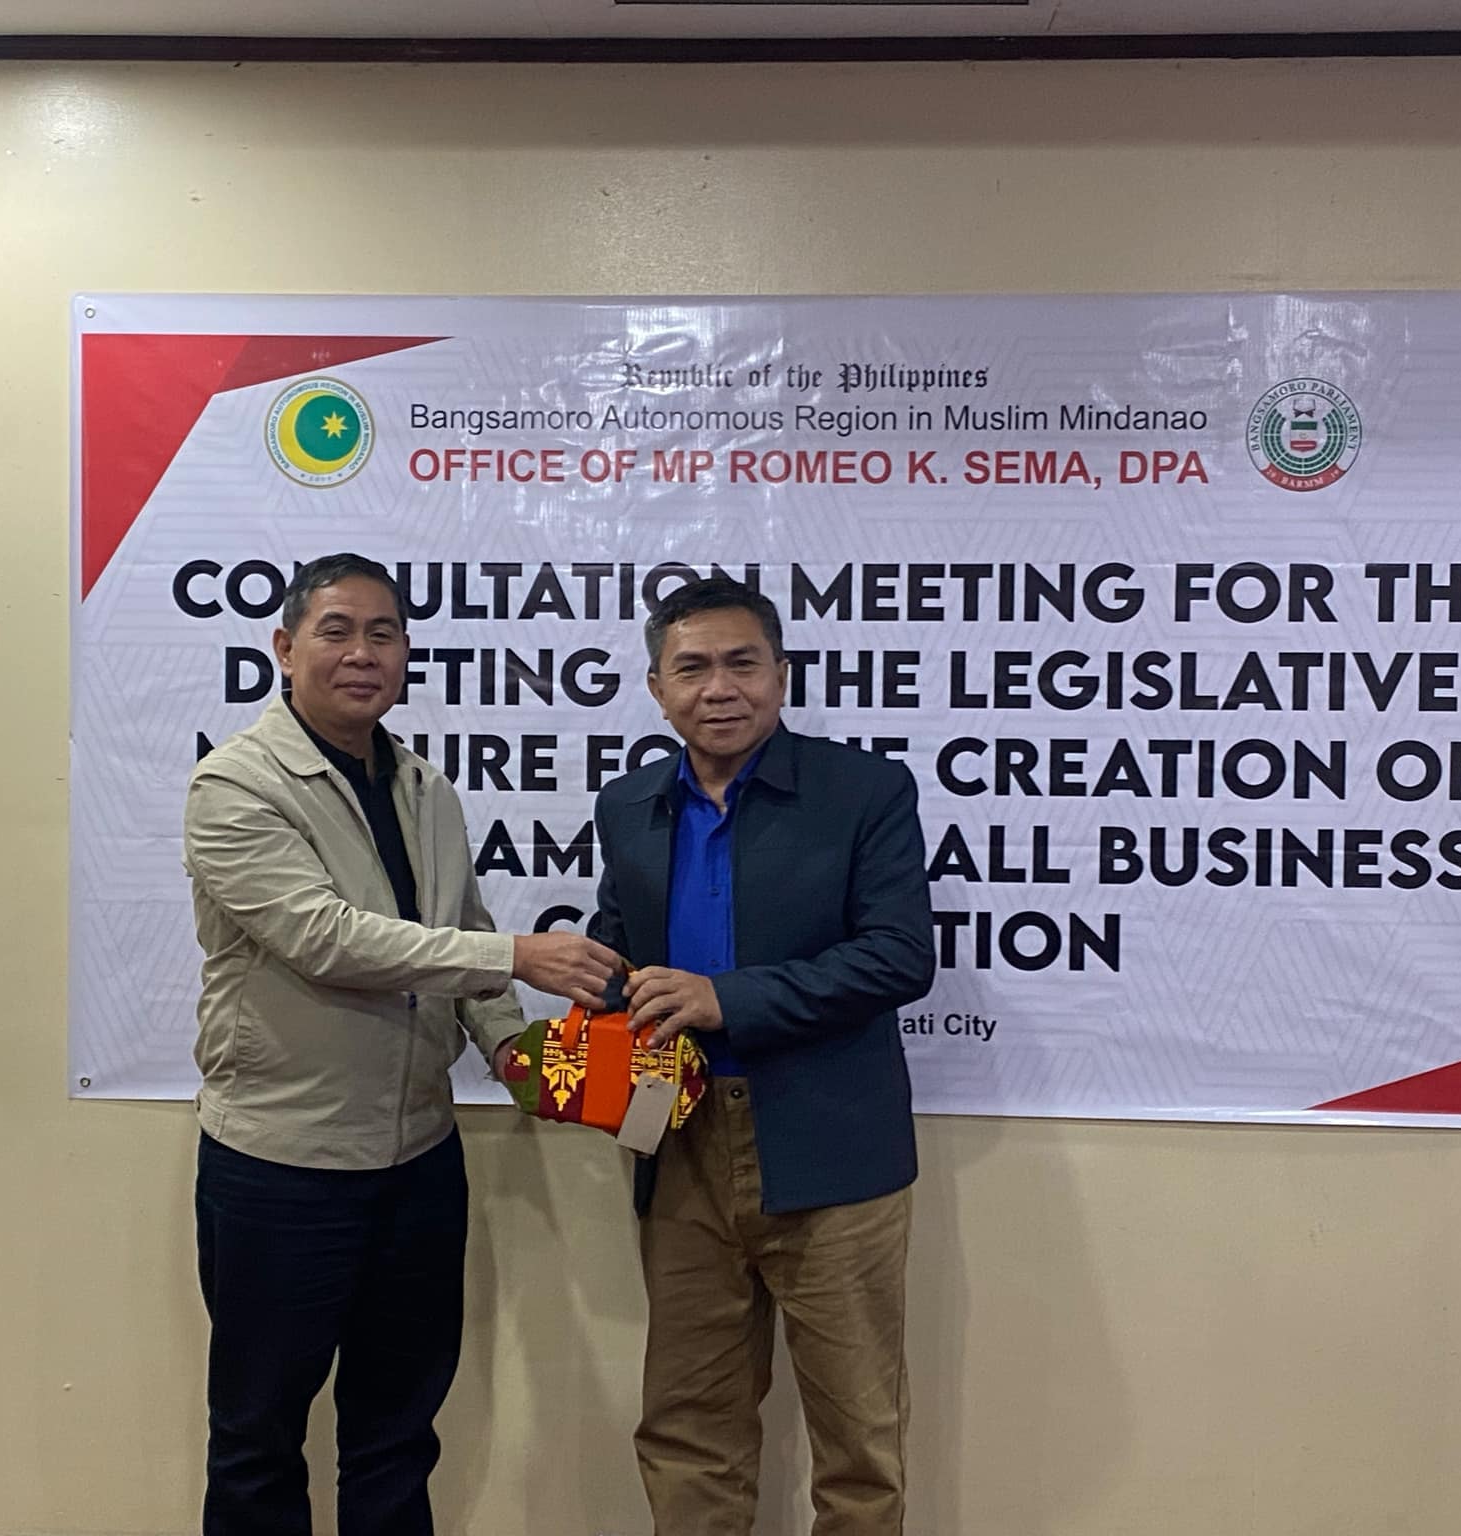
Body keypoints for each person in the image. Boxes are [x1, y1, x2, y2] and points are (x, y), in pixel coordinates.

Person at [183, 552, 620, 1536]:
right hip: (283, 1167)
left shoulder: (423, 785)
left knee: (396, 1433)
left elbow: (455, 926)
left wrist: (513, 1052)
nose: (362, 653)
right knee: (258, 1437)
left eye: (382, 634)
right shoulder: (234, 784)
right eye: (336, 631)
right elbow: (327, 939)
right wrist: (518, 956)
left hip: (418, 1161)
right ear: (283, 647)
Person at [588, 575, 936, 1536]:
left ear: (781, 675)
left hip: (831, 1147)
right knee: (688, 1428)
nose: (720, 688)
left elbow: (900, 956)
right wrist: (589, 996)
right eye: (692, 668)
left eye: (743, 663)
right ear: (658, 689)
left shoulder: (864, 791)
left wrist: (724, 999)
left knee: (858, 1443)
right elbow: (623, 949)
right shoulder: (627, 805)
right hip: (679, 1142)